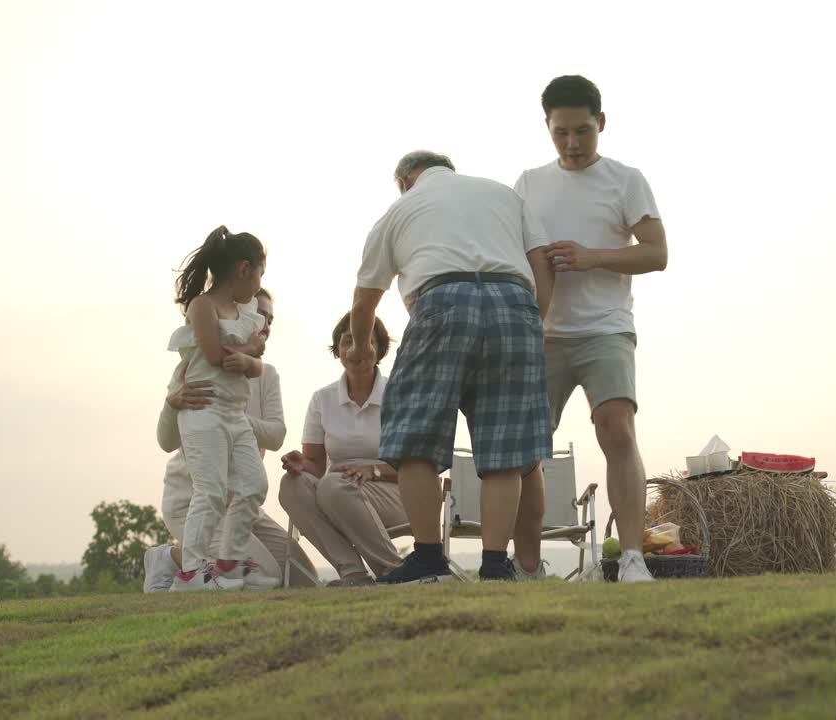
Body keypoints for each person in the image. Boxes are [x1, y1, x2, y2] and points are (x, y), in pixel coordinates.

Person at [348, 150, 554, 584]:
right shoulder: (502, 195)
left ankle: (427, 558)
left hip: (442, 300)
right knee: (505, 449)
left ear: (405, 181)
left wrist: (364, 345)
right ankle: (497, 565)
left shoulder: (399, 210)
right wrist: (535, 316)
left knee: (413, 435)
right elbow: (541, 259)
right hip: (514, 303)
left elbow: (366, 296)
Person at [512, 75, 668, 583]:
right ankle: (527, 566)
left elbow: (656, 252)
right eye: (562, 133)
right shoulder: (528, 183)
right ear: (547, 129)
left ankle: (633, 559)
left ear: (601, 124)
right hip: (543, 335)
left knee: (617, 430)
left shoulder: (627, 180)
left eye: (583, 131)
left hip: (606, 329)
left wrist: (590, 257)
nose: (573, 144)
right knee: (525, 449)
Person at [145, 288, 319, 591]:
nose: (264, 326)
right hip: (193, 499)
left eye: (270, 321)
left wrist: (229, 416)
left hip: (243, 503)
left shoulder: (265, 373)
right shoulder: (194, 368)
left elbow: (276, 435)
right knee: (265, 577)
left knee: (304, 579)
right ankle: (171, 558)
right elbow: (166, 442)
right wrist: (174, 404)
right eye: (259, 316)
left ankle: (208, 562)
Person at [164, 225, 270, 591]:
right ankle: (190, 571)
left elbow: (258, 367)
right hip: (204, 411)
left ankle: (229, 561)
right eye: (259, 274)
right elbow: (215, 356)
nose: (258, 284)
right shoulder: (202, 306)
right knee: (210, 491)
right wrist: (251, 352)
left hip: (234, 413)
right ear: (244, 269)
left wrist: (252, 359)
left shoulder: (248, 313)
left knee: (254, 484)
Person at [278, 313, 404, 587]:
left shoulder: (399, 393)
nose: (356, 349)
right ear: (338, 350)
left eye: (365, 342)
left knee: (334, 485)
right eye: (348, 341)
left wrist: (371, 471)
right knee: (292, 485)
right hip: (337, 491)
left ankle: (393, 571)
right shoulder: (322, 399)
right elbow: (315, 465)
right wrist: (303, 464)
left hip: (396, 492)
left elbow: (416, 466)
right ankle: (353, 573)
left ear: (379, 349)